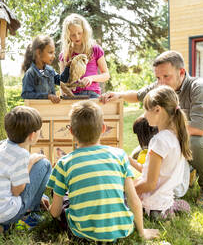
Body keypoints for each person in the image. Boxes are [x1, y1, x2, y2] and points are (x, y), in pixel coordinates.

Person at [100, 50, 203, 207]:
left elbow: (199, 129)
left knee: (196, 144)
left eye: (166, 76)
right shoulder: (162, 85)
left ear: (181, 72)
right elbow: (139, 95)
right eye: (158, 78)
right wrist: (118, 95)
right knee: (140, 153)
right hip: (181, 136)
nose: (161, 82)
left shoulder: (198, 87)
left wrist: (165, 138)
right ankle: (186, 171)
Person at [47, 100, 159, 242]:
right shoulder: (120, 155)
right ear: (104, 128)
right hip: (121, 230)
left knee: (61, 194)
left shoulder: (64, 163)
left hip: (81, 234)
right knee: (119, 193)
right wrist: (142, 232)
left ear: (71, 131)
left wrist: (49, 208)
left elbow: (55, 211)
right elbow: (133, 199)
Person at [0, 106, 52, 234]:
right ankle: (29, 217)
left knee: (41, 193)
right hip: (7, 213)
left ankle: (2, 224)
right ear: (32, 135)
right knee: (44, 164)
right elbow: (16, 191)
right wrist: (30, 163)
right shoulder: (21, 155)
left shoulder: (2, 146)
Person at [132, 86, 192, 220]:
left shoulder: (159, 141)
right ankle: (172, 209)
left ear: (157, 110)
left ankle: (162, 214)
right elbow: (153, 174)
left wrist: (127, 192)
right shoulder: (176, 136)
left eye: (145, 109)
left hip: (151, 205)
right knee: (133, 182)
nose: (144, 114)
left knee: (121, 193)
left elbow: (150, 184)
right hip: (165, 200)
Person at [129, 116, 190, 199]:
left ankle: (172, 205)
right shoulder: (168, 138)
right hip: (179, 184)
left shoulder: (158, 147)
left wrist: (129, 160)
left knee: (136, 191)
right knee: (135, 183)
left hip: (174, 189)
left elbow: (147, 173)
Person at [59, 13, 110, 98]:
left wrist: (91, 78)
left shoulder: (95, 49)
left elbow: (106, 75)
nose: (77, 37)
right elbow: (62, 81)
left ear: (85, 31)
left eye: (79, 33)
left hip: (92, 94)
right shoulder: (65, 54)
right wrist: (63, 93)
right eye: (73, 35)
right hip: (72, 96)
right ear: (68, 36)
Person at [21, 35, 70, 103]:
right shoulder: (31, 73)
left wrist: (67, 67)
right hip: (37, 111)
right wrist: (47, 96)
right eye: (50, 52)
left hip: (50, 110)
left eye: (54, 53)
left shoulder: (50, 71)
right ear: (38, 53)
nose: (53, 56)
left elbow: (62, 80)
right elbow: (26, 94)